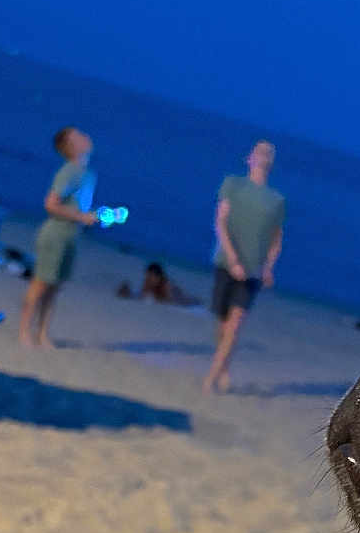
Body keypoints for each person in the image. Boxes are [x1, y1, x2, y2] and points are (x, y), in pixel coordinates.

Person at [204, 140, 285, 394]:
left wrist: (269, 267)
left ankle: (211, 378)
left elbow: (276, 238)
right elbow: (220, 222)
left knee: (236, 324)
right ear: (249, 157)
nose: (264, 156)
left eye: (269, 153)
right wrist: (233, 259)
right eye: (260, 151)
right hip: (225, 263)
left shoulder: (276, 200)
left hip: (253, 271)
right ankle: (224, 367)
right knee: (222, 322)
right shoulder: (233, 184)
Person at [18, 126, 99, 348]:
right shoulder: (69, 172)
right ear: (71, 147)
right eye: (79, 136)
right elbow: (50, 204)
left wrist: (90, 217)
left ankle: (43, 333)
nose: (86, 136)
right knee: (41, 284)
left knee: (54, 287)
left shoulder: (88, 173)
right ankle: (24, 331)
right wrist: (81, 216)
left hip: (70, 237)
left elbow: (77, 207)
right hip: (55, 235)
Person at [116, 261, 197, 305]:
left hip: (179, 298)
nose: (148, 279)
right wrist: (127, 293)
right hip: (166, 295)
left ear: (158, 277)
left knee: (188, 300)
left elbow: (170, 301)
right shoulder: (148, 282)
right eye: (147, 276)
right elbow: (141, 295)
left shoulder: (166, 284)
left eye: (151, 277)